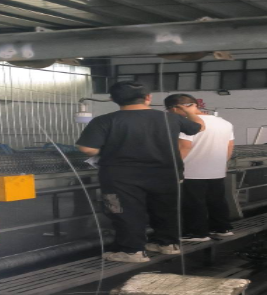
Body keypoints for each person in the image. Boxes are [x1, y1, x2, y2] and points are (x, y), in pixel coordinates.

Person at [76, 82, 204, 263]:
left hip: (121, 177)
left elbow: (87, 148)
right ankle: (167, 244)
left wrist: (107, 149)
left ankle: (132, 251)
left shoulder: (104, 120)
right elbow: (199, 127)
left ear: (113, 99)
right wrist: (190, 111)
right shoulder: (170, 118)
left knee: (125, 211)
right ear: (148, 97)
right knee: (166, 209)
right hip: (166, 174)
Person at [165, 94, 234, 241]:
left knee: (193, 203)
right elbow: (229, 146)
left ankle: (197, 233)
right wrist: (222, 164)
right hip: (217, 171)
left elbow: (184, 147)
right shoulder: (224, 123)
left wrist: (173, 167)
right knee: (217, 200)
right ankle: (222, 228)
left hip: (192, 170)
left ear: (175, 108)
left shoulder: (187, 123)